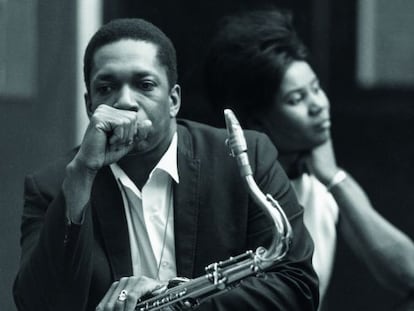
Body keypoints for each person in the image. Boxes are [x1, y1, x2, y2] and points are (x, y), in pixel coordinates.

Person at [13, 18, 319, 311]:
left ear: (173, 100)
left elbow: (297, 287)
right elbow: (38, 304)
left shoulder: (245, 158)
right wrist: (82, 175)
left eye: (145, 85)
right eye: (106, 88)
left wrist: (173, 299)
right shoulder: (56, 187)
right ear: (90, 105)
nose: (125, 102)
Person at [203, 9, 414, 310]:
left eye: (315, 89)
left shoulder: (319, 183)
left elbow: (408, 275)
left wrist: (332, 177)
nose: (318, 105)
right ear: (257, 122)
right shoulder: (233, 194)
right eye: (296, 99)